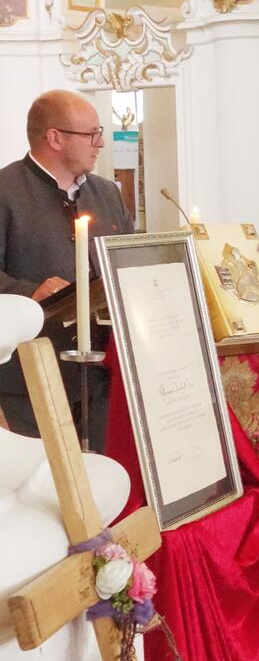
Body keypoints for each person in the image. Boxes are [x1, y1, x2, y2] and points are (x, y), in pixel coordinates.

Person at [0, 89, 135, 452]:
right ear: (55, 137)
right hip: (31, 374)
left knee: (102, 477)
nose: (101, 142)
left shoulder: (106, 193)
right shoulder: (4, 191)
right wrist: (30, 292)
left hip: (102, 370)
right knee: (46, 487)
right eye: (91, 133)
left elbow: (127, 263)